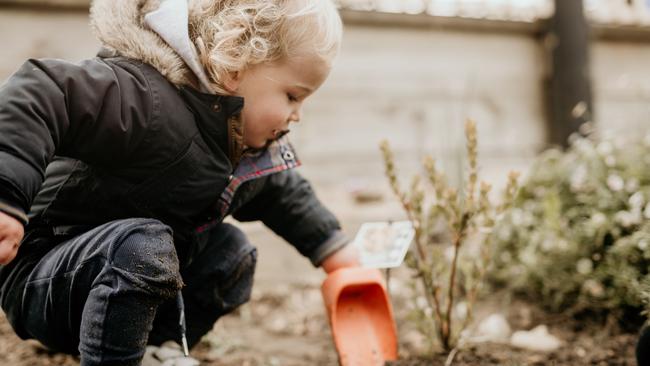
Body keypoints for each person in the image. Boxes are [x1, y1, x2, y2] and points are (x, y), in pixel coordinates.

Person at [0, 0, 359, 365]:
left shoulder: (237, 145)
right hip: (48, 278)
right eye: (293, 95)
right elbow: (44, 94)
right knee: (143, 246)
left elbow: (282, 191)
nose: (297, 115)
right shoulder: (144, 97)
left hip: (130, 280)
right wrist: (8, 197)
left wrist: (336, 252)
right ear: (235, 62)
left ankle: (156, 347)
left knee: (232, 254)